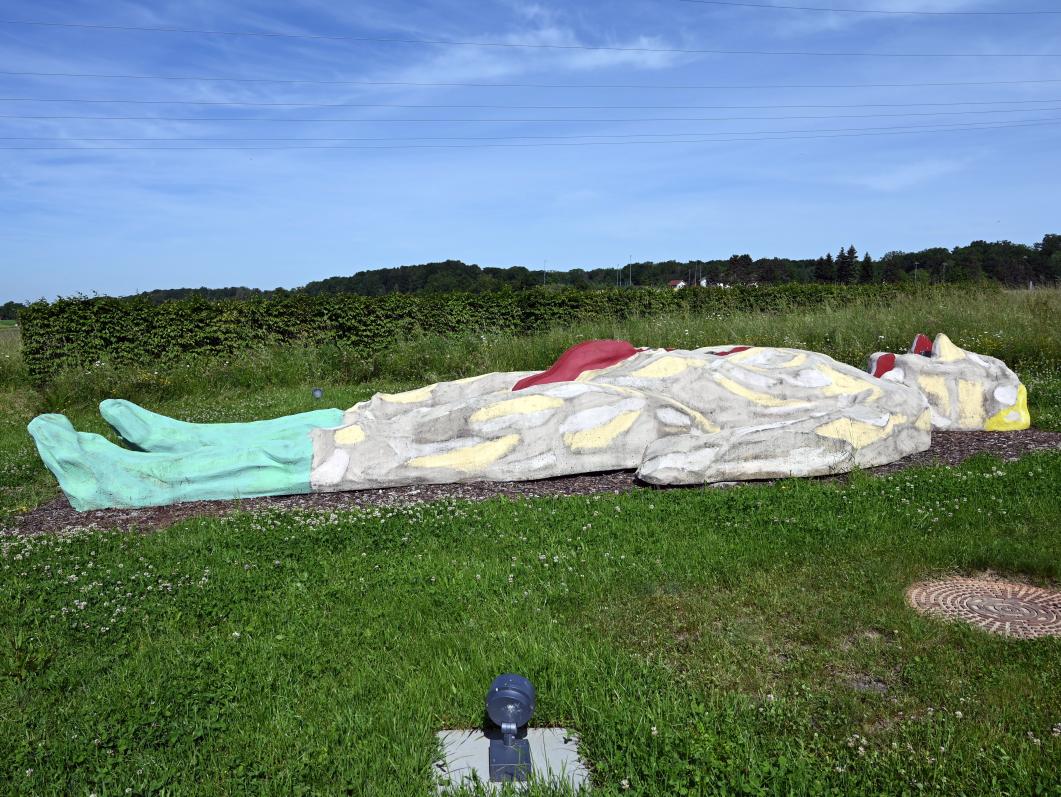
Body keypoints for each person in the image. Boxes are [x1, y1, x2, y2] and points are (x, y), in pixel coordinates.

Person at [28, 334, 1028, 511]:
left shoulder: (883, 413)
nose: (932, 345)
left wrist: (689, 458)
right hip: (613, 374)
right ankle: (190, 438)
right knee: (404, 406)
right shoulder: (849, 373)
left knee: (390, 450)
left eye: (963, 366)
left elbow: (775, 448)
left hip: (619, 412)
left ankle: (144, 481)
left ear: (964, 404)